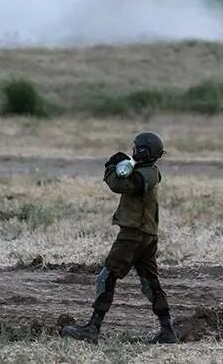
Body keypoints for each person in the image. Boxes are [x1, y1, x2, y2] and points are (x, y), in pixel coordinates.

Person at [61, 132, 177, 344]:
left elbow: (119, 185)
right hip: (147, 235)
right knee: (149, 283)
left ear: (143, 151)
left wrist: (110, 168)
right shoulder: (149, 171)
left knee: (106, 277)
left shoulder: (145, 175)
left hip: (133, 234)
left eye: (135, 148)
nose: (132, 151)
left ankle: (93, 328)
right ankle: (167, 330)